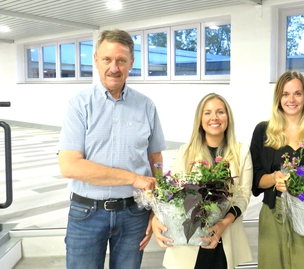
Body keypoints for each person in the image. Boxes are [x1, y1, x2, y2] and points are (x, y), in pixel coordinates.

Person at [58, 29, 167, 269]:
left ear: (131, 63)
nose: (114, 68)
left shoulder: (146, 106)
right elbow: (70, 165)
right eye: (107, 59)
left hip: (134, 214)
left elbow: (155, 159)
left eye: (121, 60)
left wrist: (156, 209)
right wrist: (133, 178)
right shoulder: (79, 105)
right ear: (96, 60)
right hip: (86, 213)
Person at [151, 93, 253, 269]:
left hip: (224, 238)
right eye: (207, 113)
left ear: (228, 117)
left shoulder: (241, 151)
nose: (214, 117)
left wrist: (223, 223)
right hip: (190, 241)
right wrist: (156, 217)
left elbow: (243, 197)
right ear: (200, 119)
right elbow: (174, 194)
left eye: (220, 112)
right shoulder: (186, 151)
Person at [250, 71, 304, 269]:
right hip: (274, 214)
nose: (291, 99)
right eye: (285, 94)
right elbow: (254, 179)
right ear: (278, 99)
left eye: (297, 93)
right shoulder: (263, 132)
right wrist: (273, 178)